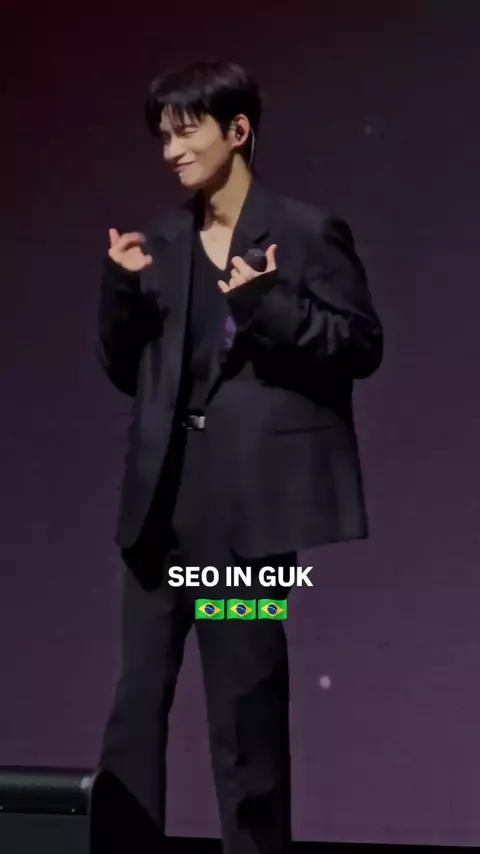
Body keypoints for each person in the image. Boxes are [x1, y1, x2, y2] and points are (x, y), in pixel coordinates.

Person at [96, 60, 383, 854]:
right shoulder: (159, 241)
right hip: (160, 509)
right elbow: (126, 370)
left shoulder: (304, 232)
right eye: (163, 138)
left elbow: (360, 345)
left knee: (244, 704)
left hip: (247, 518)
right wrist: (119, 293)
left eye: (186, 133)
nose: (171, 152)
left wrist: (265, 302)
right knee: (137, 702)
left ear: (238, 130)